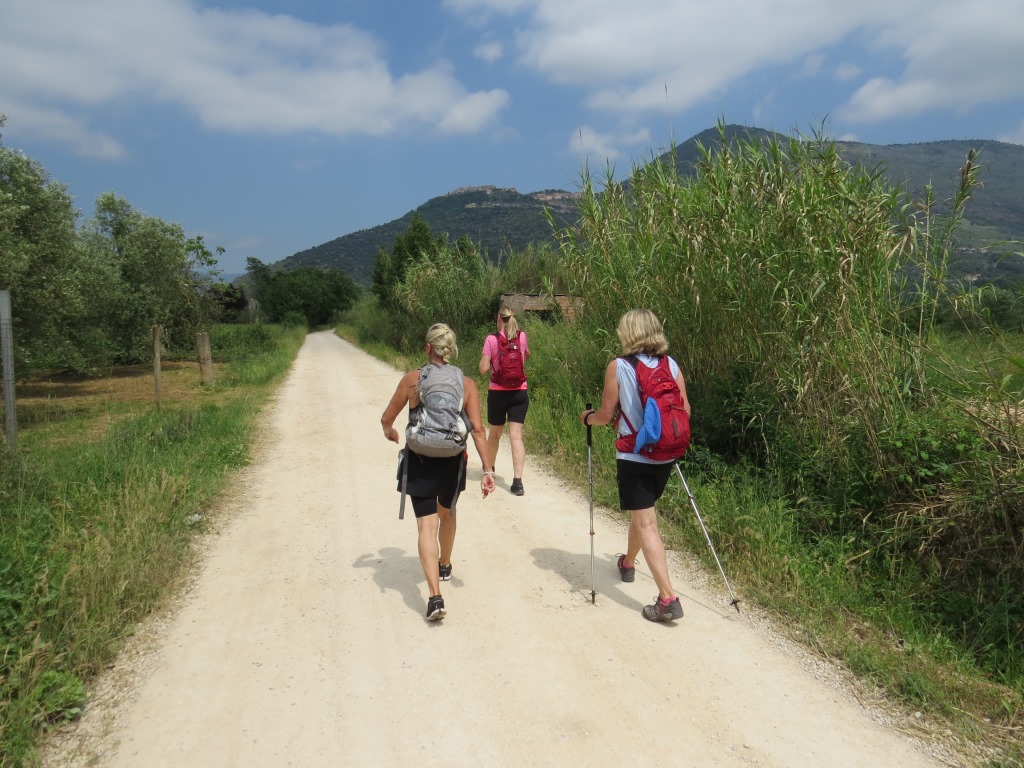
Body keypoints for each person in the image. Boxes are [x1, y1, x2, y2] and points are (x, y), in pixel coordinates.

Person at [579, 309, 692, 622]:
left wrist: (587, 418)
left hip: (634, 455)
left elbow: (604, 415)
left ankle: (668, 598)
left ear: (629, 334)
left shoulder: (618, 366)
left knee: (646, 523)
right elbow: (686, 409)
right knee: (643, 514)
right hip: (666, 455)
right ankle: (627, 563)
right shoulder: (671, 365)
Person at [382, 323, 496, 621]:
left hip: (419, 459)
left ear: (427, 348)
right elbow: (479, 430)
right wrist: (487, 469)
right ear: (451, 349)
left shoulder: (412, 379)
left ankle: (434, 598)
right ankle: (445, 563)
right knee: (447, 513)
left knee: (426, 526)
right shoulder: (466, 383)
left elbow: (387, 417)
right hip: (451, 461)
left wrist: (390, 431)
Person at [478, 306, 531, 496]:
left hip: (498, 393)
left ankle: (489, 471)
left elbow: (483, 368)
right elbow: (526, 356)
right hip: (519, 393)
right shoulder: (522, 336)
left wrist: (491, 360)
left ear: (497, 318)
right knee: (516, 436)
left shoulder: (491, 339)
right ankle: (518, 482)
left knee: (495, 434)